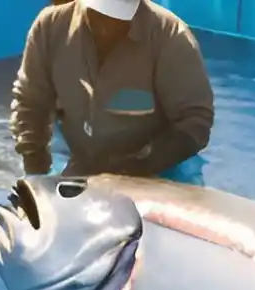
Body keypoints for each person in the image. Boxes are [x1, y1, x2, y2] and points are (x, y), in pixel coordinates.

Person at [11, 0, 215, 179]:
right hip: (80, 158)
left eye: (117, 19)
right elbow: (30, 101)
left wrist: (141, 164)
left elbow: (195, 121)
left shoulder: (172, 38)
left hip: (164, 166)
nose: (106, 28)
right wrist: (34, 163)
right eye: (97, 16)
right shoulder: (49, 28)